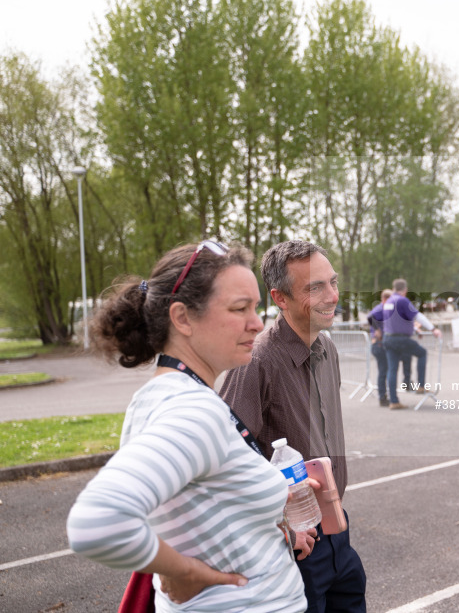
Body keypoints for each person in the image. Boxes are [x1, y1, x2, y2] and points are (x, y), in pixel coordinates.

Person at [67, 240, 312, 613]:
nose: (256, 323)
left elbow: (195, 510)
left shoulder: (159, 396)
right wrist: (185, 572)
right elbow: (97, 523)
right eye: (239, 308)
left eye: (256, 307)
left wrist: (269, 529)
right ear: (182, 319)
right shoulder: (193, 410)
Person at [220, 240, 366, 613]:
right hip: (293, 546)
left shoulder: (327, 349)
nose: (331, 295)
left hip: (338, 530)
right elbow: (226, 461)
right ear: (280, 298)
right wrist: (282, 527)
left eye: (332, 282)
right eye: (315, 287)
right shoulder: (256, 361)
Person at [381, 278, 442, 409]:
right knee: (422, 353)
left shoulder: (388, 302)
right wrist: (433, 328)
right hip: (400, 339)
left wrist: (414, 329)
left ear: (393, 288)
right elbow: (417, 316)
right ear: (405, 290)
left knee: (392, 369)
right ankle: (420, 385)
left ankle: (393, 401)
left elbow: (396, 321)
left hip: (388, 338)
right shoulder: (402, 300)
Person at [367, 289, 412, 407]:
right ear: (385, 299)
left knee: (404, 357)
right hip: (379, 343)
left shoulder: (388, 309)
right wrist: (377, 330)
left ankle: (406, 381)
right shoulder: (382, 307)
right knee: (384, 370)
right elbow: (370, 317)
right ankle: (383, 397)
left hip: (384, 343)